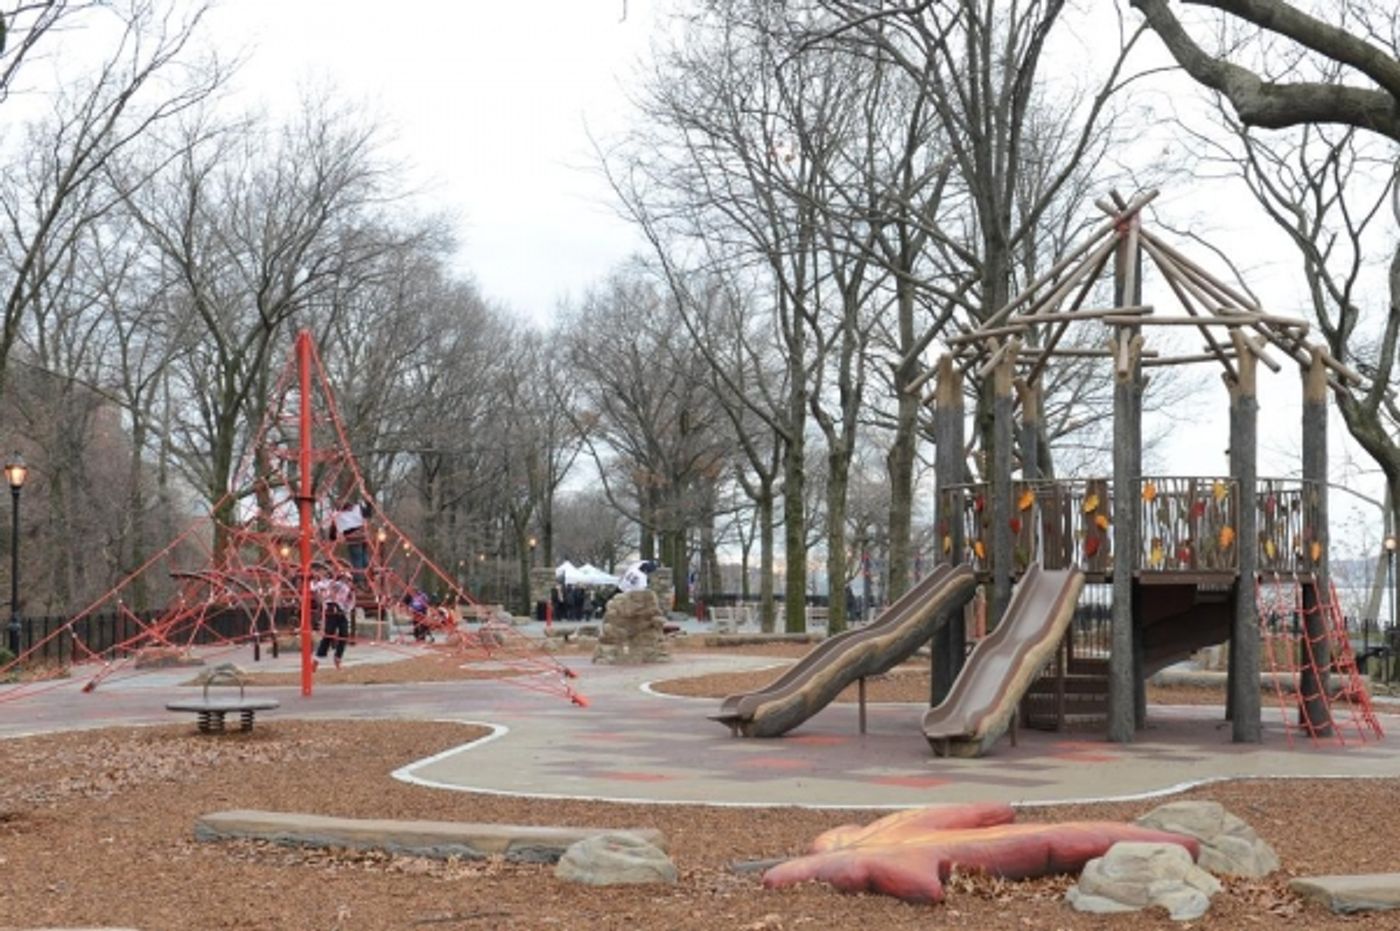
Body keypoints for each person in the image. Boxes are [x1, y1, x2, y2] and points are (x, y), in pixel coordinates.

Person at [312, 573, 354, 670]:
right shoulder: (333, 584)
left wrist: (346, 607)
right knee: (328, 635)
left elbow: (350, 603)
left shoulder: (348, 590)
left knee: (344, 635)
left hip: (341, 612)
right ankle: (317, 660)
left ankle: (337, 658)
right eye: (345, 579)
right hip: (332, 610)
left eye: (348, 580)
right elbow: (317, 587)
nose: (346, 581)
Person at [327, 496, 371, 587]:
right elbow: (367, 513)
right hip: (362, 535)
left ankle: (359, 580)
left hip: (353, 538)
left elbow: (333, 529)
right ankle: (367, 577)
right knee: (364, 556)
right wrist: (368, 503)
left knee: (357, 558)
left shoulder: (338, 515)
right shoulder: (357, 509)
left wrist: (332, 538)